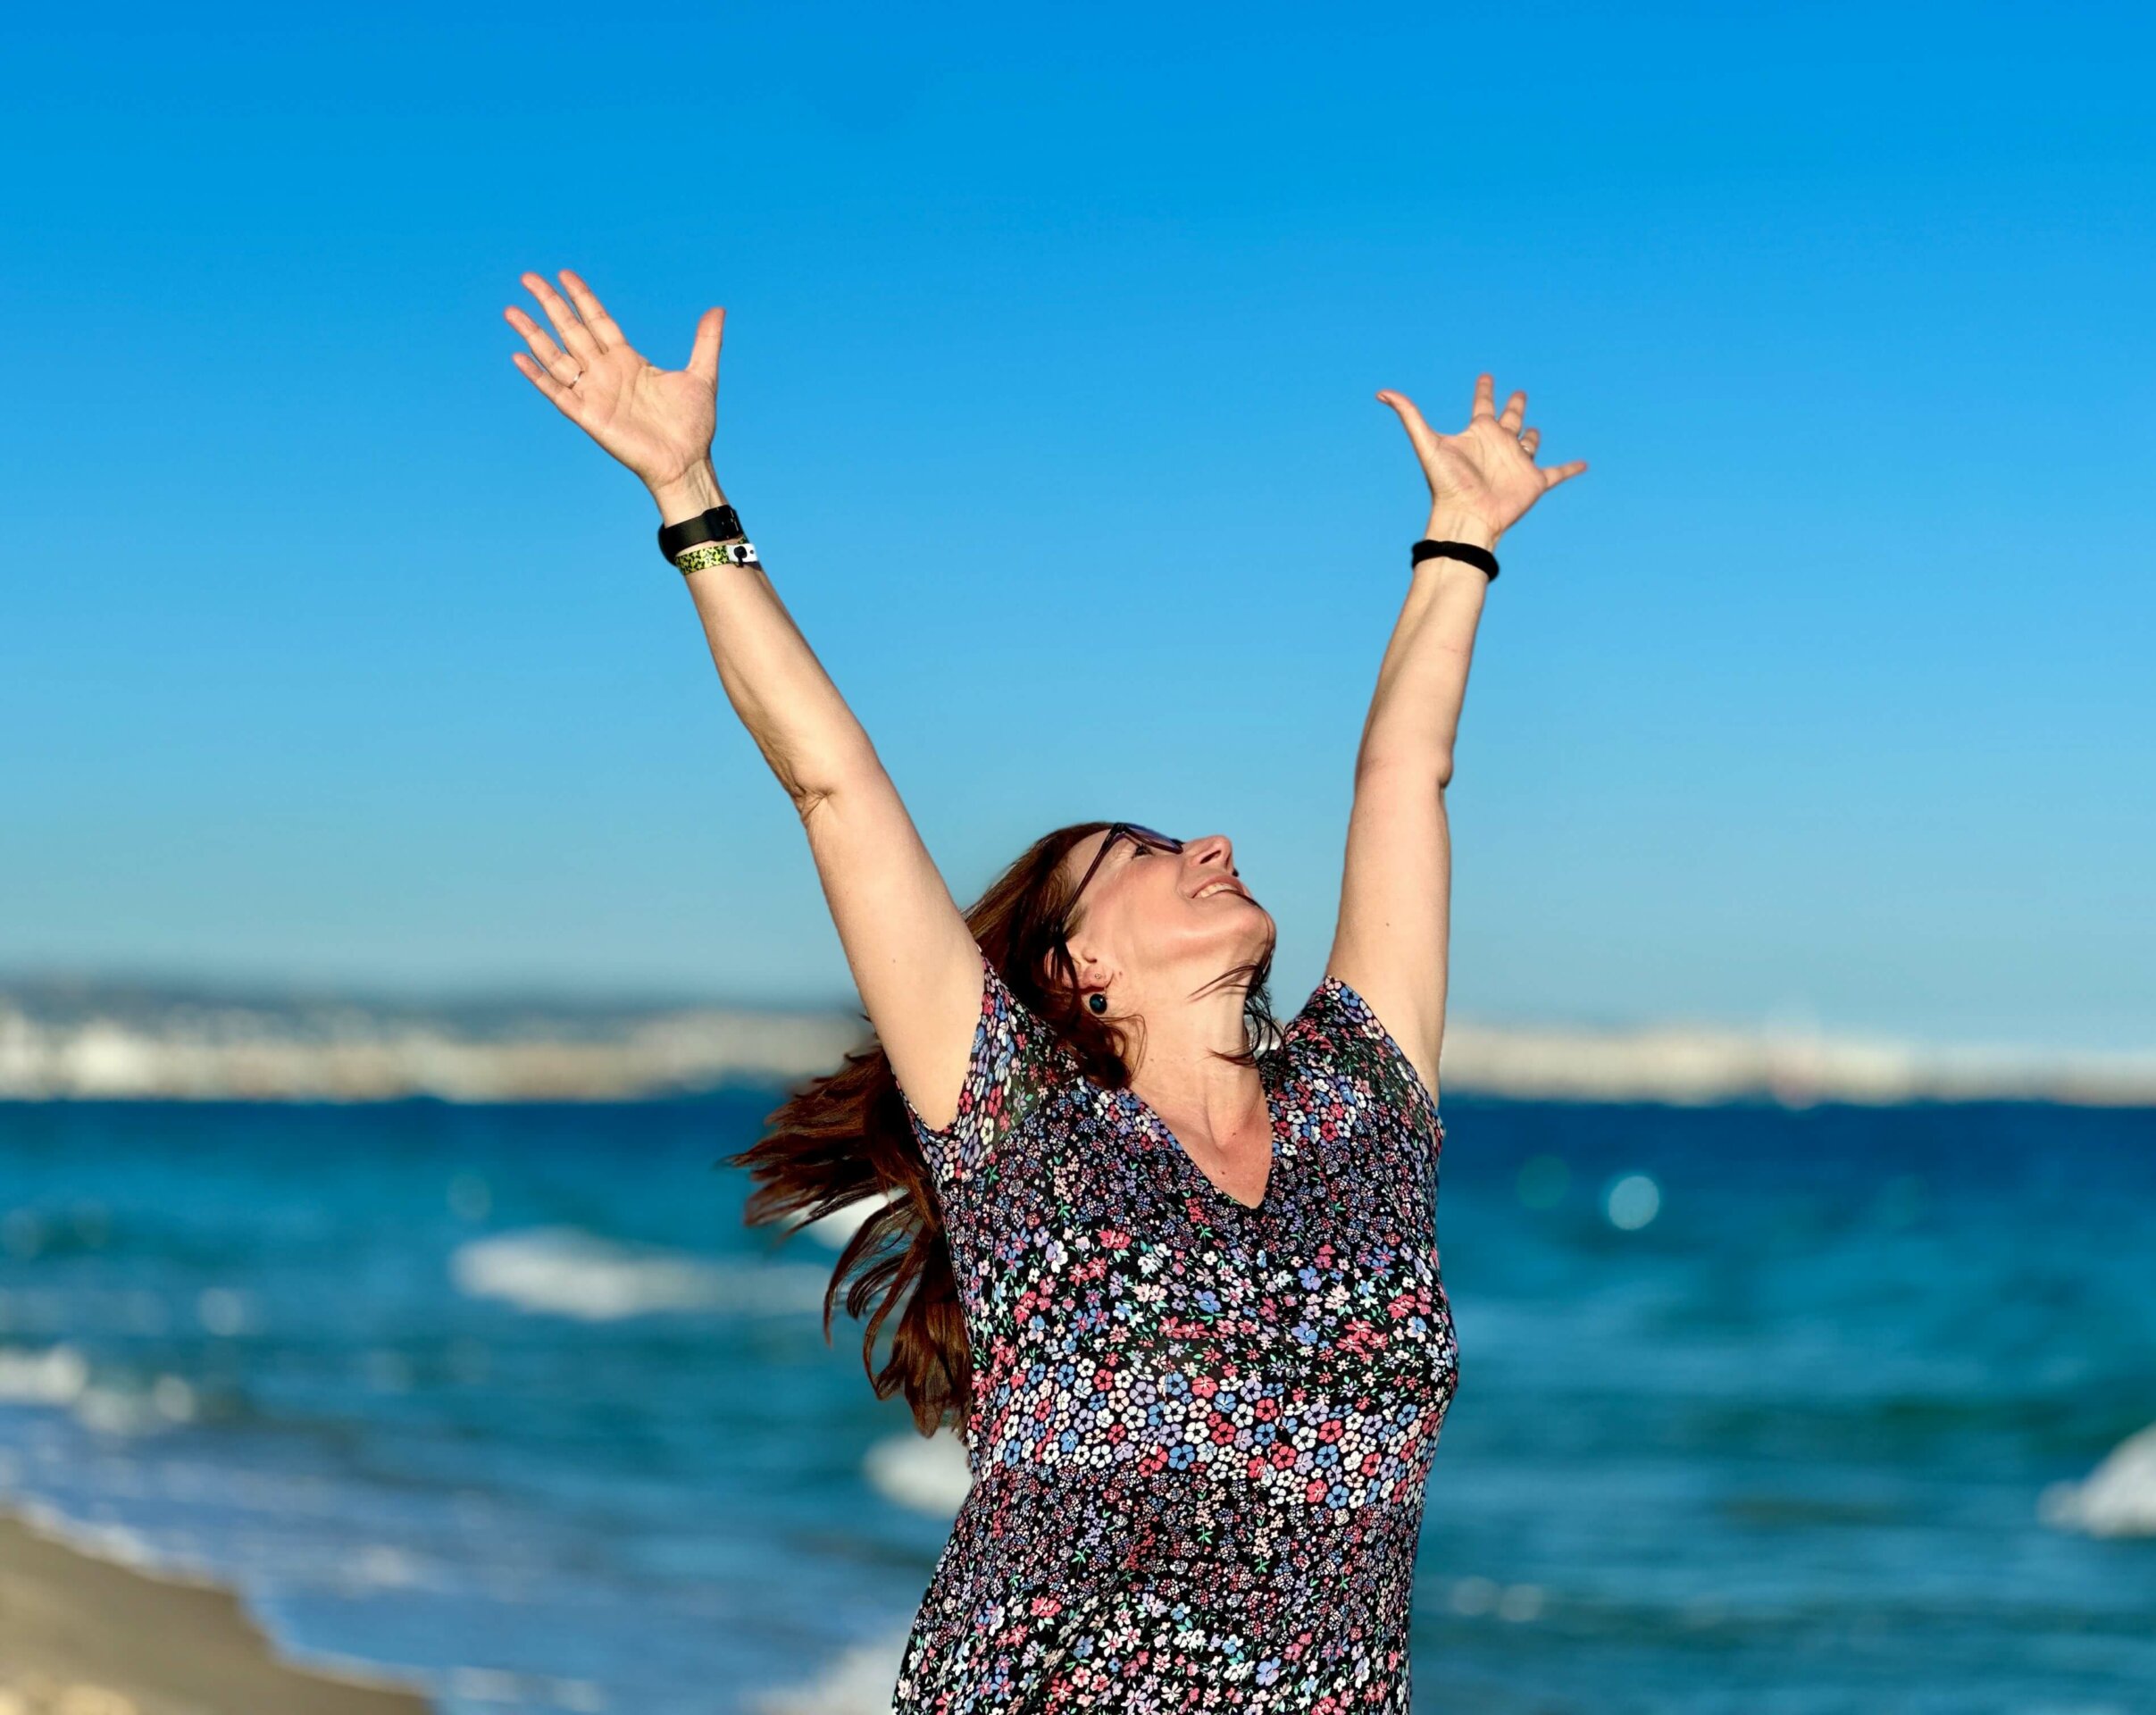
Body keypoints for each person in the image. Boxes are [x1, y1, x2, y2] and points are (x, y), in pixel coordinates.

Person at [503, 267, 1588, 1711]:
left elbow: (1405, 773)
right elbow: (834, 786)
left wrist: (1459, 542)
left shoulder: (1367, 1113)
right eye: (1138, 854)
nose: (1208, 845)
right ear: (1079, 967)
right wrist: (691, 497)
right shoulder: (1021, 1126)